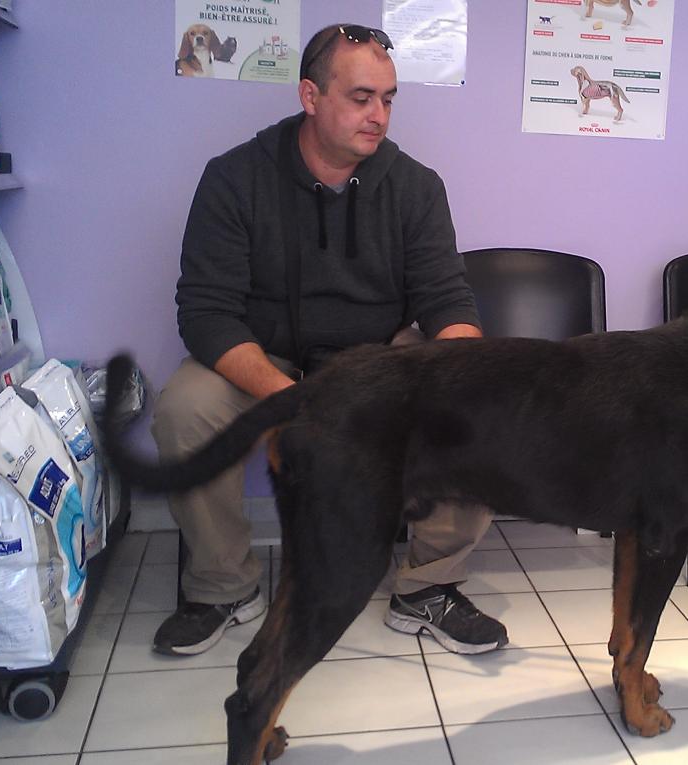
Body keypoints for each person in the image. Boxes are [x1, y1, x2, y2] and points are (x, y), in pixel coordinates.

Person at [149, 23, 508, 657]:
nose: (379, 116)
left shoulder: (416, 187)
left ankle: (429, 587)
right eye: (361, 97)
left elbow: (446, 300)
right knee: (185, 408)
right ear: (310, 96)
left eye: (389, 99)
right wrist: (296, 401)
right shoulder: (234, 178)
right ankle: (223, 587)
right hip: (265, 357)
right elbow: (207, 313)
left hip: (376, 357)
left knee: (473, 398)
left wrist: (467, 367)